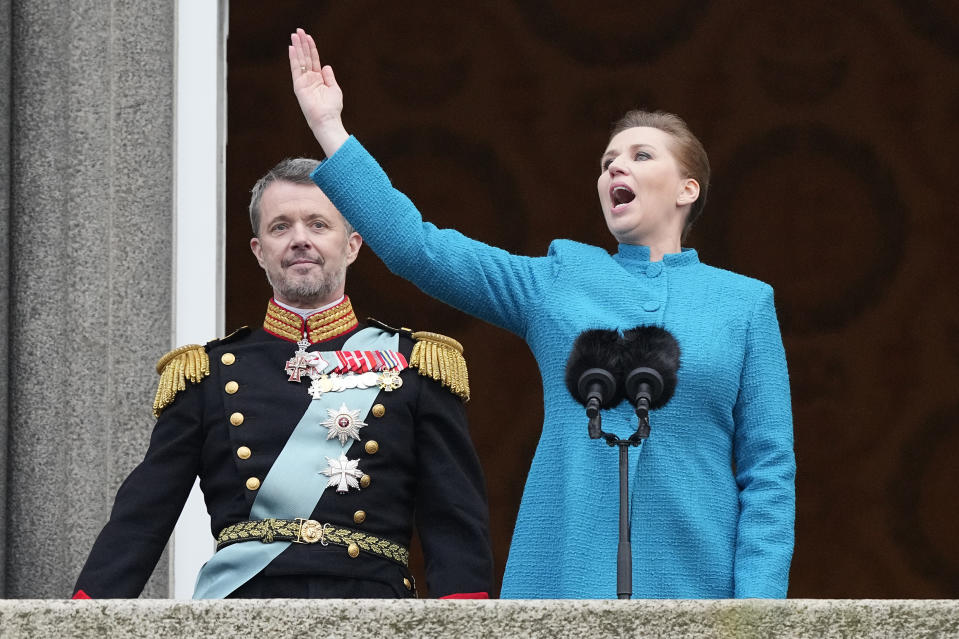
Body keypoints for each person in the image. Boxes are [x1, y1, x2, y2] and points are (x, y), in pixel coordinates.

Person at [286, 28, 795, 599]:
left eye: (640, 155)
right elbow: (418, 249)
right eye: (607, 162)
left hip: (699, 584)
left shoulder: (745, 303)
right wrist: (331, 128)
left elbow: (768, 472)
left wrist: (758, 613)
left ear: (687, 189)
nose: (614, 170)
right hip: (567, 579)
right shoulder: (558, 279)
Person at [72, 157, 493, 599]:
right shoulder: (208, 373)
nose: (300, 240)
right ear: (259, 251)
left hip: (370, 609)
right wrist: (83, 617)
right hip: (242, 608)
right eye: (280, 227)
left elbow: (454, 519)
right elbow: (144, 512)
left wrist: (464, 614)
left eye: (318, 224)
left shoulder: (415, 364)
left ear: (352, 245)